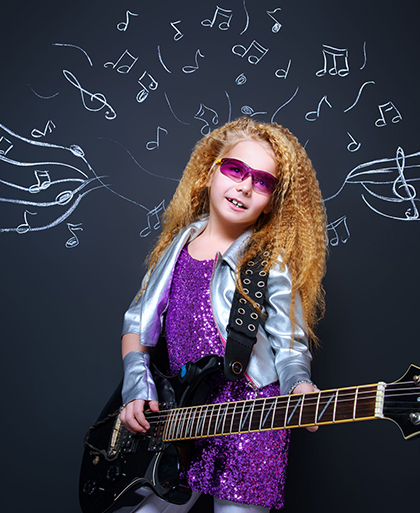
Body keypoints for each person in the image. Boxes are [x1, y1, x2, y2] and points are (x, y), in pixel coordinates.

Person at [119, 117, 327, 512]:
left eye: (263, 182)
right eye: (236, 170)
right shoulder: (177, 246)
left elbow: (289, 343)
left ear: (272, 201)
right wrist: (137, 387)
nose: (246, 186)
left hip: (249, 420)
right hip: (180, 416)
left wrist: (299, 385)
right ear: (211, 171)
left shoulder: (271, 262)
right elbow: (136, 326)